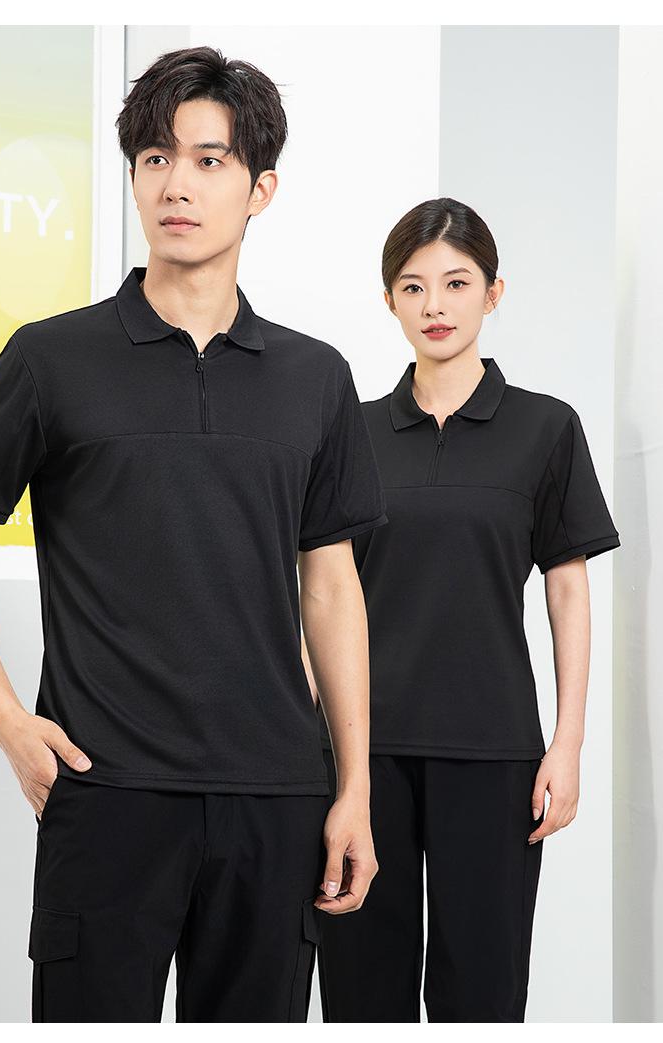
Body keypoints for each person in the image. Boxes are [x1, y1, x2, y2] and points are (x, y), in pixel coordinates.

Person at [0, 46, 388, 1023]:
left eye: (210, 161)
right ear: (132, 176)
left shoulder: (315, 377)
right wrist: (6, 720)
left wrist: (354, 788)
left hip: (274, 795)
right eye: (156, 158)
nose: (178, 184)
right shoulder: (52, 358)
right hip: (106, 790)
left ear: (260, 189)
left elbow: (331, 585)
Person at [302, 197, 621, 1023]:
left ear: (493, 292)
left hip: (493, 752)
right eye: (412, 287)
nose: (434, 305)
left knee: (481, 995)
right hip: (362, 755)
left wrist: (568, 743)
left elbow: (566, 587)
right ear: (389, 301)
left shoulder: (546, 428)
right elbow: (320, 591)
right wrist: (312, 739)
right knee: (361, 994)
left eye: (456, 283)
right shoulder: (350, 431)